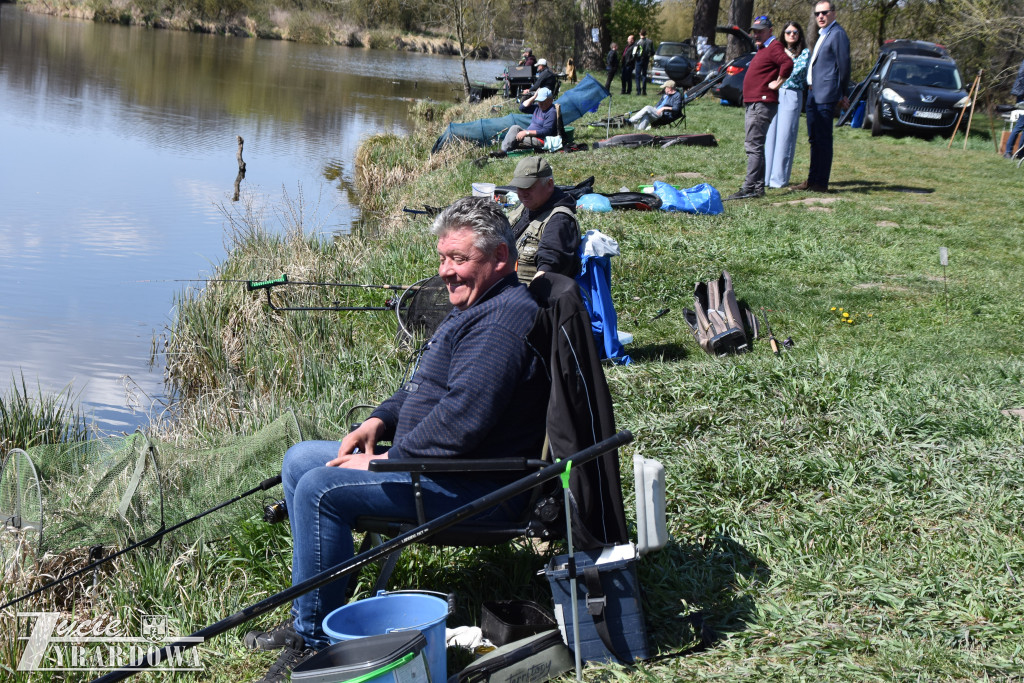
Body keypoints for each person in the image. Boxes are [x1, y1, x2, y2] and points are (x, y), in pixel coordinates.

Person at [253, 197, 550, 683]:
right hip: (430, 465)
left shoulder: (501, 322)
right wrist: (379, 422)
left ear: (499, 258)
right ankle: (324, 599)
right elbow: (426, 386)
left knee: (318, 488)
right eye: (442, 257)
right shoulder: (475, 305)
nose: (446, 271)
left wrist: (386, 463)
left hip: (479, 489)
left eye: (459, 259)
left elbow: (461, 422)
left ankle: (311, 640)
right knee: (299, 459)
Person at [725, 16, 793, 201]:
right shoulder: (763, 49)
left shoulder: (774, 47)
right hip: (756, 103)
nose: (756, 34)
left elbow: (787, 64)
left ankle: (748, 187)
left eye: (760, 30)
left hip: (761, 103)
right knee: (756, 146)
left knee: (753, 146)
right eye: (755, 30)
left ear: (770, 30)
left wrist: (777, 84)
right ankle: (757, 188)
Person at [791, 0, 850, 192]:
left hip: (826, 94)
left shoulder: (838, 34)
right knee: (814, 139)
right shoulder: (823, 35)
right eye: (817, 14)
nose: (820, 17)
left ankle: (821, 183)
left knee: (823, 139)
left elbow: (844, 66)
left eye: (824, 13)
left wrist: (843, 94)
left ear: (834, 13)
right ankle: (811, 179)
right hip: (813, 94)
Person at [506, 157, 581, 283]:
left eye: (529, 187)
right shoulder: (527, 206)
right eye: (519, 187)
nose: (523, 193)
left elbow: (548, 269)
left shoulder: (559, 220)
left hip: (526, 296)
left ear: (549, 184)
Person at [764, 22, 810, 188]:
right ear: (783, 34)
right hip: (774, 93)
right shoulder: (776, 50)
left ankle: (778, 180)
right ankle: (764, 177)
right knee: (769, 135)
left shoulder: (804, 53)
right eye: (788, 32)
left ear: (799, 35)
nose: (791, 35)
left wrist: (781, 73)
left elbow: (796, 71)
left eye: (795, 32)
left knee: (785, 137)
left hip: (791, 94)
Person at [500, 87, 556, 153]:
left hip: (540, 139)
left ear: (550, 100)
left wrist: (526, 133)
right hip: (529, 134)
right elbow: (522, 108)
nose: (541, 104)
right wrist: (534, 97)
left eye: (543, 101)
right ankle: (503, 151)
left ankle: (504, 151)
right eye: (539, 101)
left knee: (515, 139)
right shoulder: (537, 107)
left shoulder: (551, 112)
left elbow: (546, 131)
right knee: (514, 128)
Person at [1004, 59, 1024, 158]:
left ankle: (1020, 153)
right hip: (1022, 96)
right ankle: (1008, 151)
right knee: (1020, 124)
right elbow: (1022, 77)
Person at [634, 29, 654, 96]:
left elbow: (634, 52)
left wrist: (635, 57)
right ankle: (644, 90)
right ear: (645, 34)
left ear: (640, 34)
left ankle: (638, 90)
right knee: (644, 75)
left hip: (639, 59)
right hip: (646, 59)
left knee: (637, 75)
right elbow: (652, 51)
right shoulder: (650, 42)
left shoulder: (638, 42)